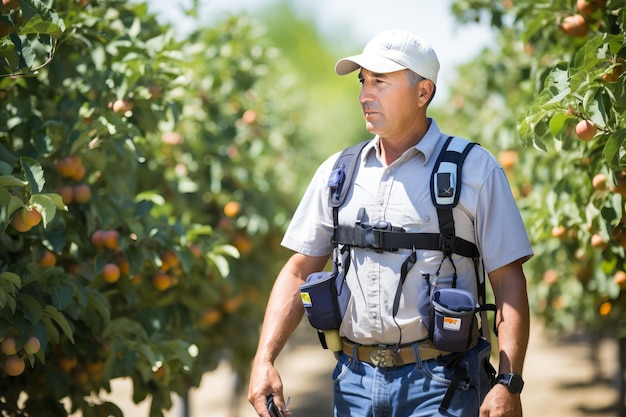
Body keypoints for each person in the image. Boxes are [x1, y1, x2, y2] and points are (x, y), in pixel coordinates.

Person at [248, 30, 532, 417]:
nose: (366, 94)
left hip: (443, 384)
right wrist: (264, 359)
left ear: (423, 92)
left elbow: (509, 280)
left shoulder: (474, 170)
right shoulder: (338, 172)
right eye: (363, 81)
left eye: (380, 81)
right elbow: (299, 271)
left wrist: (508, 382)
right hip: (353, 383)